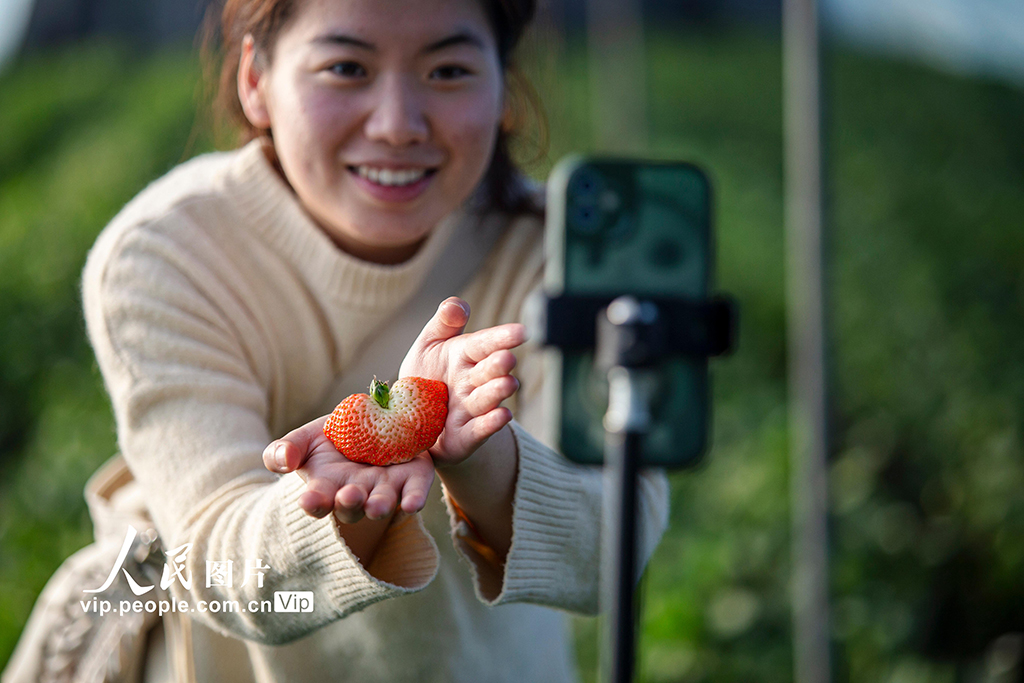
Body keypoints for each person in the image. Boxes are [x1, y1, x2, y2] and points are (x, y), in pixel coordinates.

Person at [4, 0, 669, 681]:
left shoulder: (558, 255)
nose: (397, 124)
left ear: (503, 85)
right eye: (346, 67)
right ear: (255, 81)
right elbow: (216, 558)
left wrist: (484, 459)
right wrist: (337, 502)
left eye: (448, 70)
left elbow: (615, 545)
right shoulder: (169, 253)